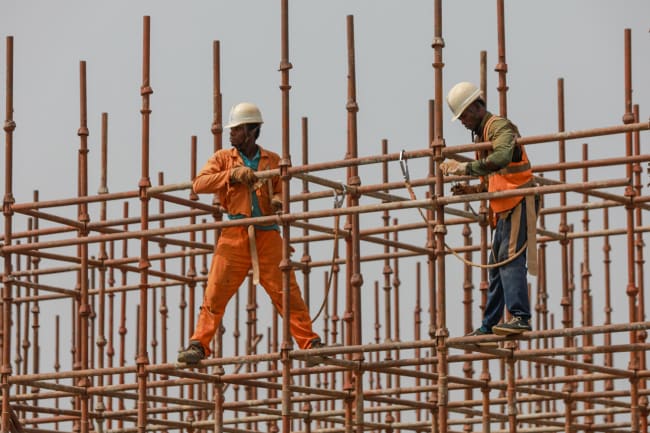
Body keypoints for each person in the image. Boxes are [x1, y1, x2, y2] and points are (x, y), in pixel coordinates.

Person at [177, 102, 323, 363]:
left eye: (236, 129)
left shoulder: (273, 160)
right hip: (235, 233)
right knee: (215, 291)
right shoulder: (223, 158)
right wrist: (232, 175)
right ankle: (199, 344)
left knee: (286, 291)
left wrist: (277, 199)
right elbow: (199, 184)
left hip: (268, 233)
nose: (231, 134)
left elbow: (281, 187)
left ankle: (309, 342)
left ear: (251, 131)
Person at [440, 82, 537, 337]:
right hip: (504, 206)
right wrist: (471, 191)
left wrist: (464, 168)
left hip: (520, 200)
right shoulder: (483, 136)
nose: (462, 121)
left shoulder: (500, 127)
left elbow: (503, 157)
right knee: (496, 265)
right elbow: (493, 177)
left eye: (464, 115)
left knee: (510, 258)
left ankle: (520, 317)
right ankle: (489, 325)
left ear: (477, 106)